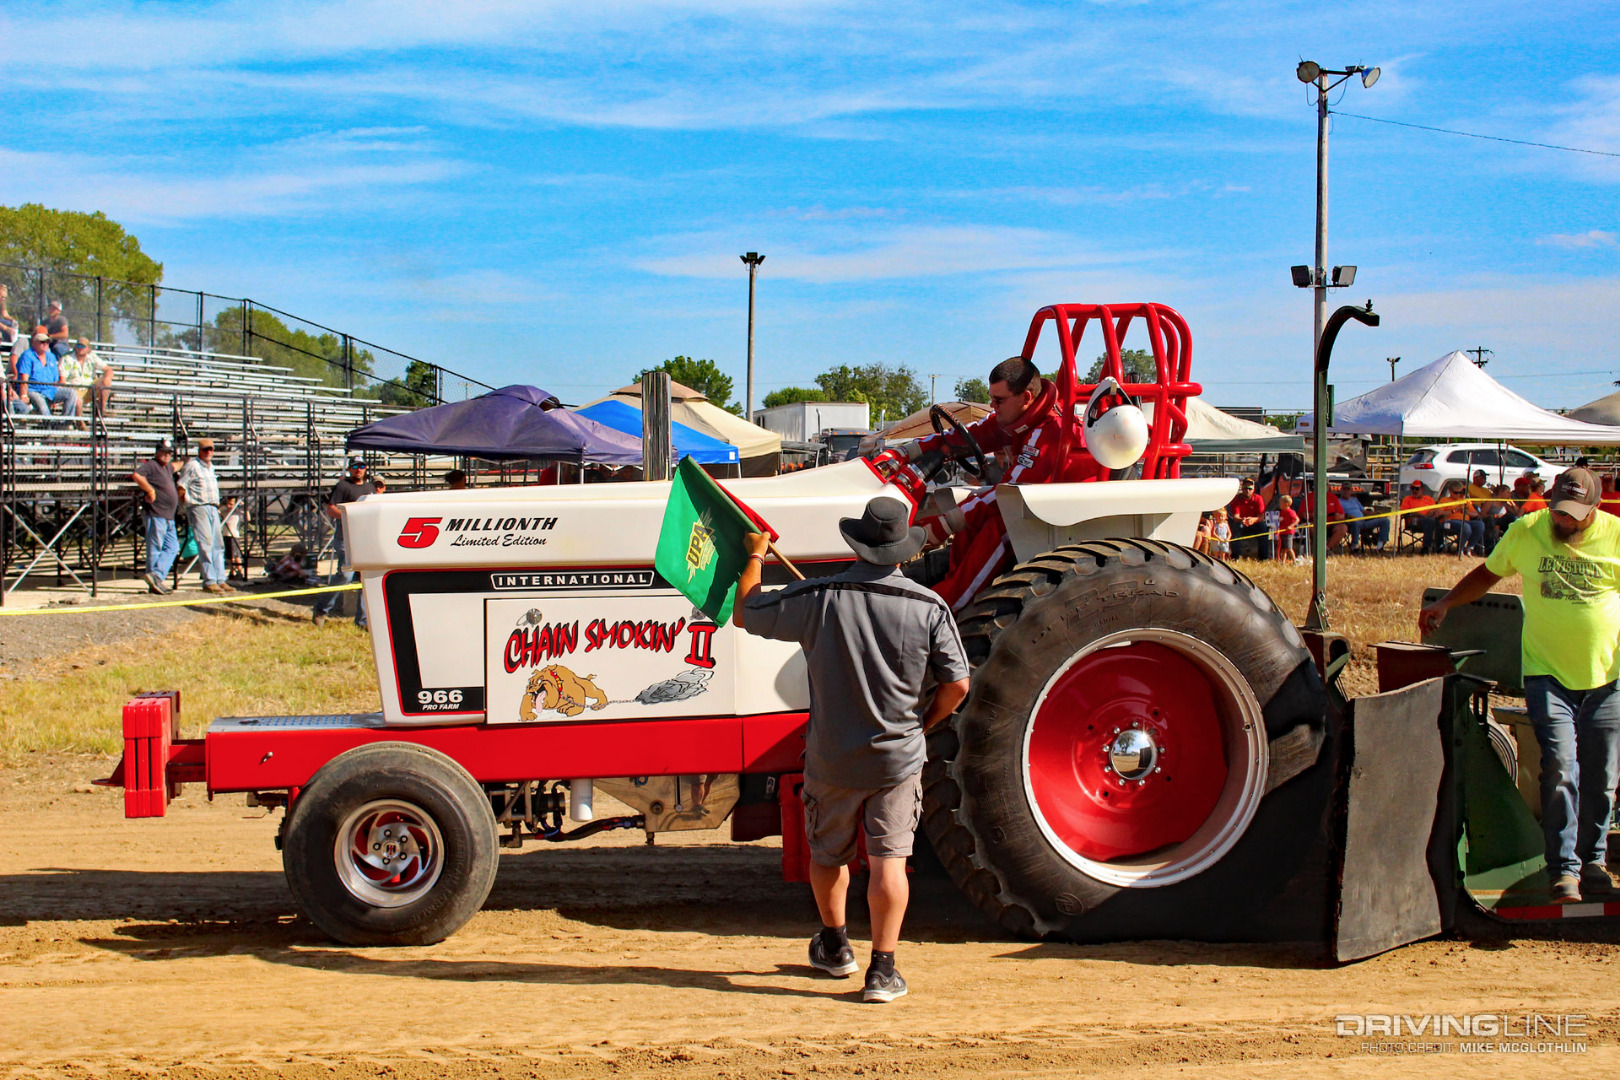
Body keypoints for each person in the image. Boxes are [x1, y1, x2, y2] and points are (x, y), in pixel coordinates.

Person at [735, 498, 971, 1003]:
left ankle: (837, 946)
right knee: (890, 860)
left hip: (831, 756)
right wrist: (922, 725)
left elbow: (746, 613)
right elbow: (958, 684)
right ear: (903, 551)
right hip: (898, 757)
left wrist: (755, 555)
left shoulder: (821, 596)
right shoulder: (929, 607)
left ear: (857, 544)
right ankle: (883, 972)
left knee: (828, 853)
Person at [1419, 468, 1620, 904]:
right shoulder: (1528, 531)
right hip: (1547, 675)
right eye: (1559, 511)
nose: (1564, 521)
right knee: (1561, 767)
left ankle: (1594, 862)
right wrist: (1447, 603)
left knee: (1602, 775)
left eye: (1575, 515)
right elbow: (1488, 574)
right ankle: (1564, 870)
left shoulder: (1616, 536)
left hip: (1607, 677)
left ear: (1596, 508)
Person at [884, 357, 1091, 611]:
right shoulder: (1015, 420)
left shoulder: (1051, 433)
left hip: (1053, 517)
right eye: (991, 399)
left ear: (1026, 397)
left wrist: (944, 524)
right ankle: (943, 594)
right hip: (1028, 506)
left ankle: (941, 613)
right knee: (970, 518)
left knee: (992, 530)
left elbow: (1010, 496)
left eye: (999, 400)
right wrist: (906, 452)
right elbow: (963, 437)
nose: (993, 407)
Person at [311, 458, 376, 628]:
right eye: (355, 467)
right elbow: (331, 509)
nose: (358, 470)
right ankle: (321, 609)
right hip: (345, 539)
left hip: (365, 539)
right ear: (349, 469)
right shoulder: (342, 486)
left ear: (366, 468)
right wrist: (350, 515)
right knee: (344, 576)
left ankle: (362, 621)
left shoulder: (369, 488)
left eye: (361, 466)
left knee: (366, 578)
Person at [179, 438, 231, 594]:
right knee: (205, 543)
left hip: (212, 506)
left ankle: (220, 579)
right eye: (205, 449)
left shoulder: (211, 467)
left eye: (210, 449)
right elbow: (181, 486)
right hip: (198, 506)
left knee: (218, 544)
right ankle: (209, 580)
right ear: (199, 451)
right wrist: (185, 506)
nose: (208, 452)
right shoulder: (192, 466)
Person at [131, 439, 181, 594]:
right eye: (164, 452)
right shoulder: (152, 465)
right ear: (157, 452)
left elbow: (177, 465)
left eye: (169, 453)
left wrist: (188, 461)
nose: (166, 455)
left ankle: (156, 576)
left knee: (173, 547)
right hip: (156, 513)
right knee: (156, 547)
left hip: (168, 516)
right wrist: (150, 490)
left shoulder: (167, 467)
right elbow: (137, 475)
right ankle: (155, 581)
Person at [14, 328, 79, 418]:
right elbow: (24, 379)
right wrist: (24, 395)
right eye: (42, 342)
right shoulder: (27, 355)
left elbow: (55, 380)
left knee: (71, 393)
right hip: (33, 390)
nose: (45, 344)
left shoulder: (51, 356)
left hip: (49, 389)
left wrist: (54, 394)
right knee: (41, 403)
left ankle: (65, 422)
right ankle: (49, 425)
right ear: (34, 342)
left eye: (47, 342)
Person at [1437, 479, 1484, 557]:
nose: (1458, 495)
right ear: (1450, 491)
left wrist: (1466, 512)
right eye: (1456, 493)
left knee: (1480, 525)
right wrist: (1453, 511)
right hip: (1449, 521)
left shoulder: (1465, 501)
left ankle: (1469, 547)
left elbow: (1475, 514)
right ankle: (1460, 549)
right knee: (1466, 527)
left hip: (1465, 521)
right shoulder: (1444, 500)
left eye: (1460, 492)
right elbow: (1438, 513)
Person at [1228, 477, 1270, 560]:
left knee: (1263, 527)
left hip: (1255, 523)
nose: (1247, 490)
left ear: (1253, 489)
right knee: (1235, 528)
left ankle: (1263, 558)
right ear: (1242, 489)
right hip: (1241, 523)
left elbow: (1261, 516)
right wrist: (1242, 520)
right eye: (1245, 488)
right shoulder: (1237, 499)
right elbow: (1235, 517)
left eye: (1250, 488)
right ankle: (1236, 557)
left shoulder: (1258, 499)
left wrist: (1253, 520)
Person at [1337, 482, 1387, 552]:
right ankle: (1354, 546)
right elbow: (1338, 515)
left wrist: (1375, 514)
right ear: (1341, 490)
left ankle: (1380, 545)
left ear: (1351, 491)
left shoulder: (1355, 500)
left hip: (1363, 522)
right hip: (1350, 524)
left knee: (1385, 520)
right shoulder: (1338, 501)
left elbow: (1364, 512)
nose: (1346, 492)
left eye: (1348, 489)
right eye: (1344, 489)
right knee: (1356, 523)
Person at [1399, 480, 1441, 553]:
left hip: (1430, 521)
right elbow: (1404, 512)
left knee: (1437, 522)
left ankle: (1439, 545)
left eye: (1417, 488)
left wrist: (1432, 513)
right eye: (1412, 488)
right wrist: (1420, 515)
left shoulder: (1429, 499)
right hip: (1414, 522)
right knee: (1430, 521)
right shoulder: (1407, 499)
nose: (1414, 491)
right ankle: (1427, 547)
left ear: (1422, 489)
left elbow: (1435, 511)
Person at [222, 494, 247, 580]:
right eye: (228, 504)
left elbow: (248, 518)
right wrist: (222, 504)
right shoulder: (224, 512)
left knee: (236, 555)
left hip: (234, 536)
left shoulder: (238, 513)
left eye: (231, 504)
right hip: (226, 535)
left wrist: (243, 506)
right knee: (229, 555)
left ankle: (239, 571)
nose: (229, 506)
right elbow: (217, 510)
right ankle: (232, 571)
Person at [1272, 494, 1298, 560]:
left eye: (1281, 503)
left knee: (1289, 548)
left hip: (1288, 533)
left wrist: (1291, 526)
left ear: (1286, 504)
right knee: (1283, 549)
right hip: (1282, 532)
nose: (1279, 504)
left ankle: (1294, 561)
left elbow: (1297, 520)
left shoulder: (1290, 512)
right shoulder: (1281, 512)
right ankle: (1283, 561)